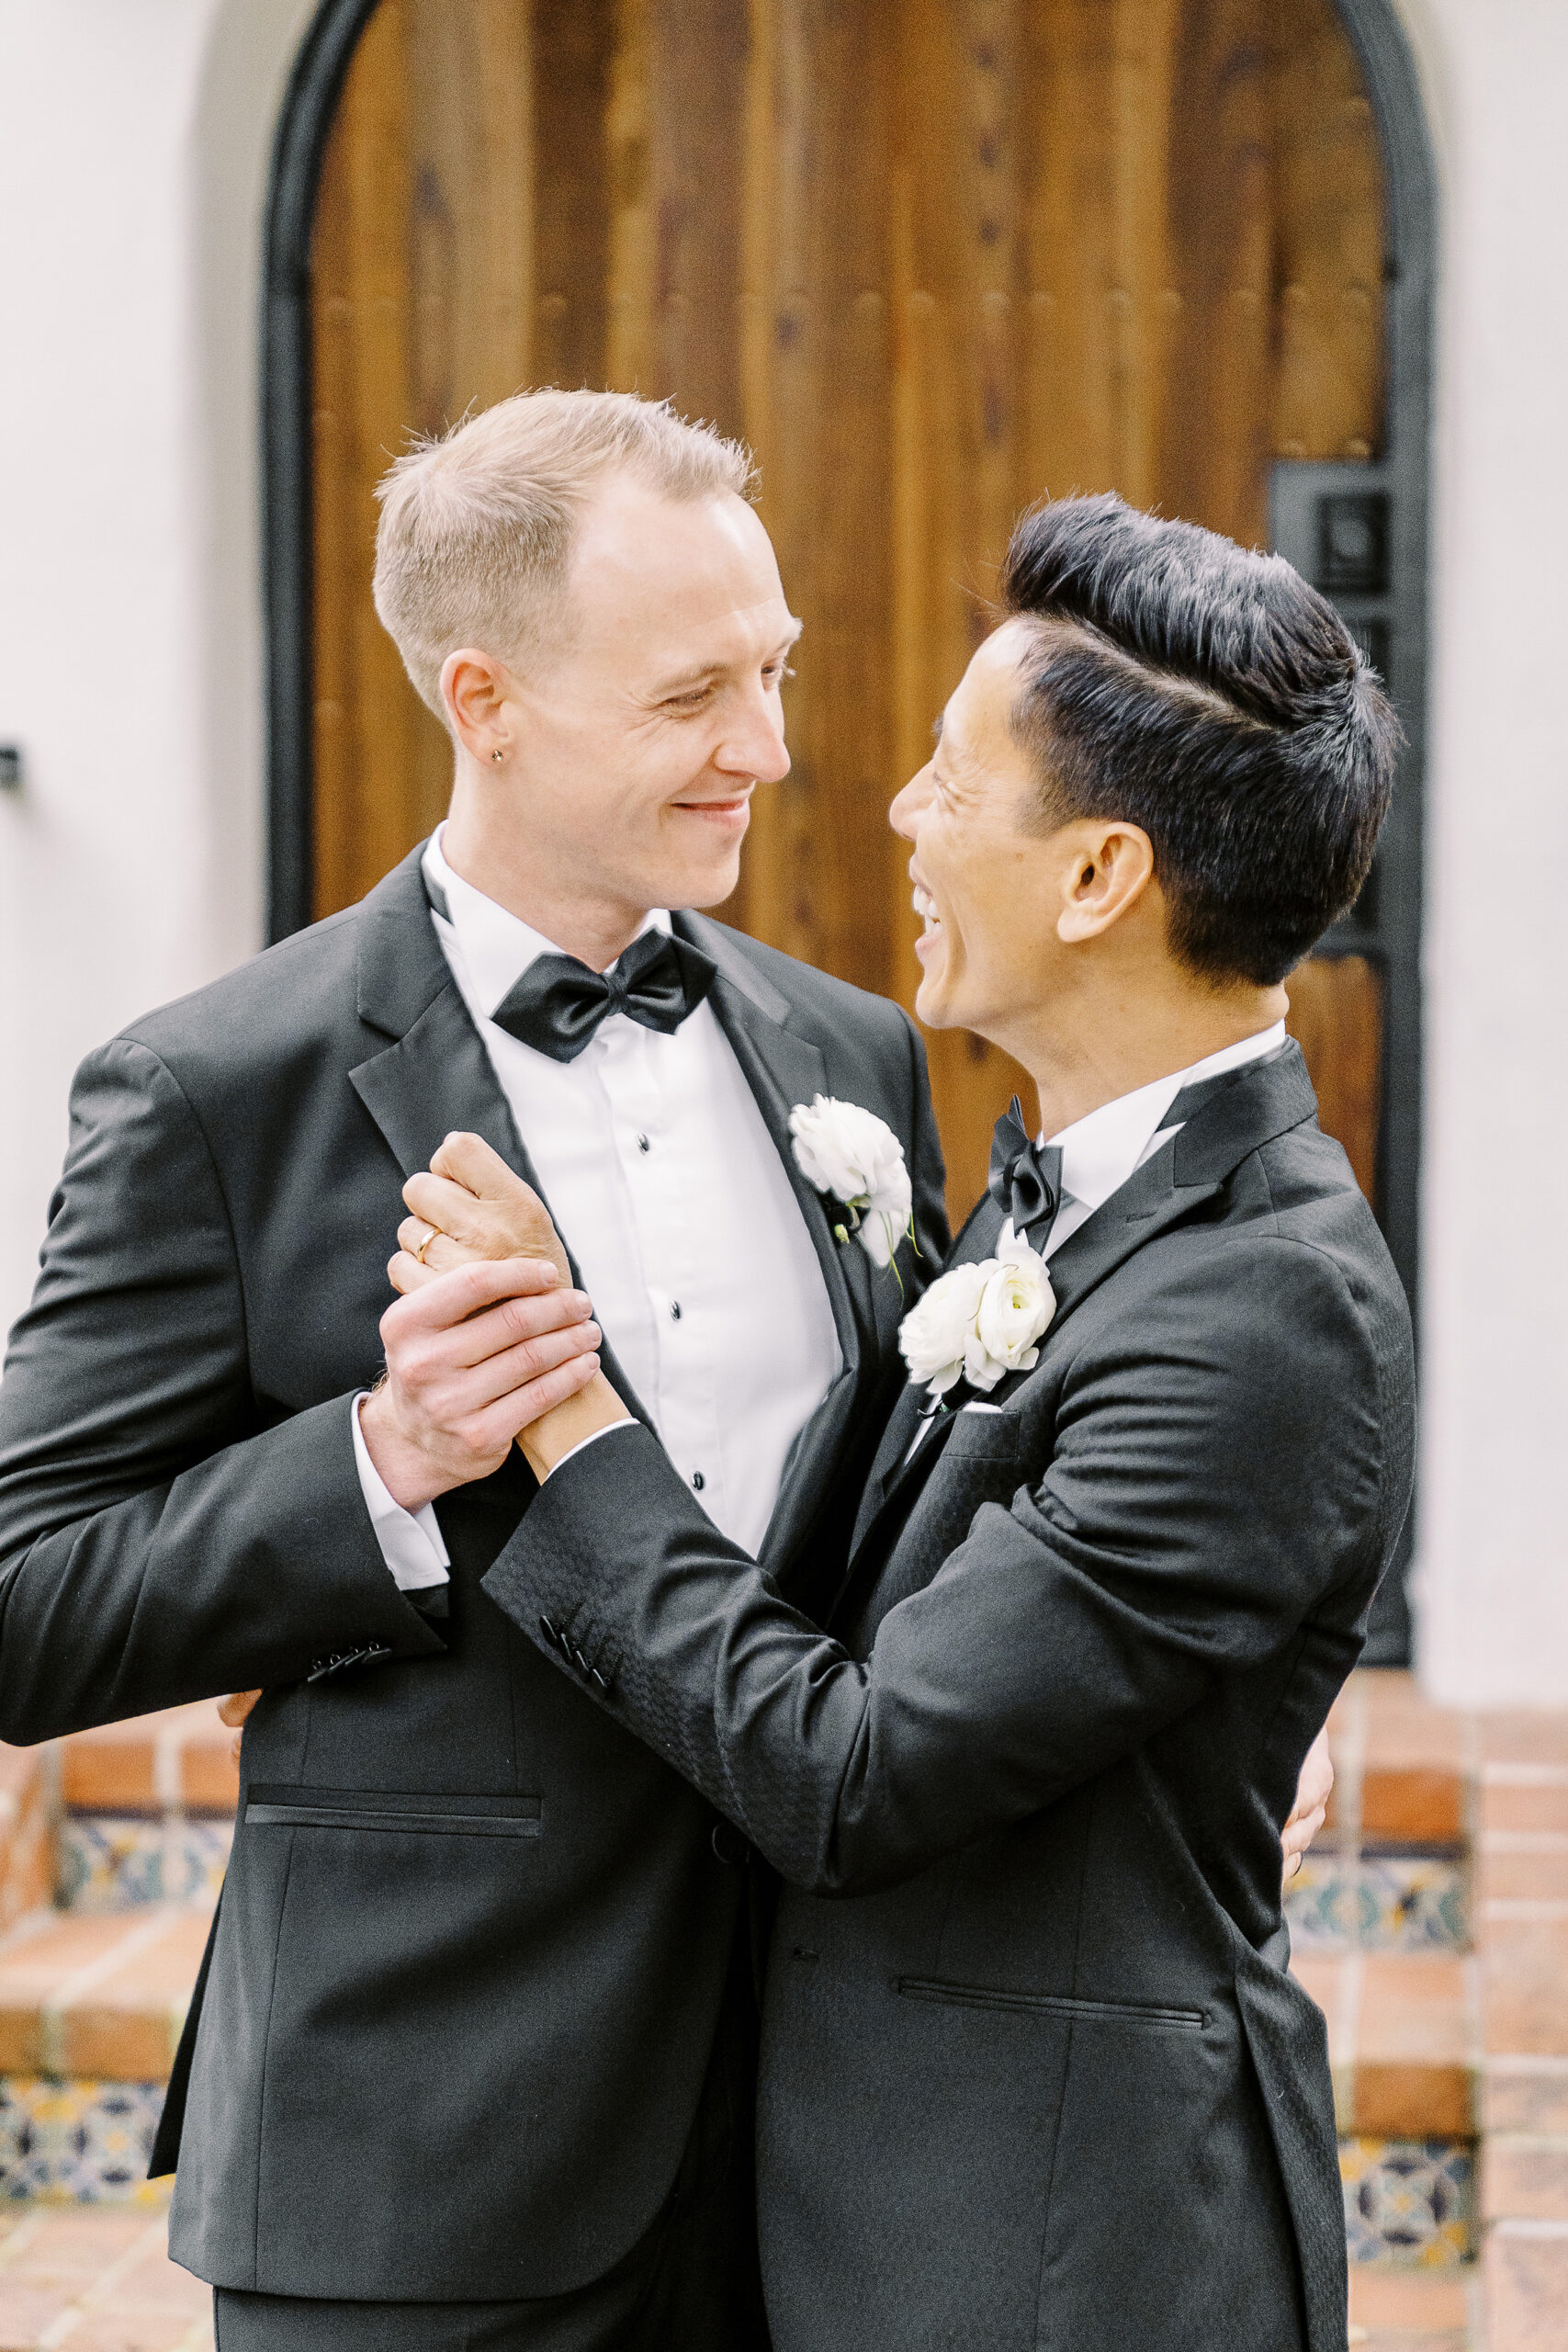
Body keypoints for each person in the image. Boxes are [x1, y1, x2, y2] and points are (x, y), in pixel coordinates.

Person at [398, 494, 1413, 2352]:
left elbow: (852, 1769)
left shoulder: (1256, 1308)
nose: (895, 815)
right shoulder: (1070, 1205)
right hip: (873, 2210)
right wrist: (377, 1583)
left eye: (952, 779)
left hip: (1054, 2254)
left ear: (1100, 874)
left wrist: (562, 1402)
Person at [0, 390, 951, 2348]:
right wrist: (380, 1454)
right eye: (693, 693)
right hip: (420, 2154)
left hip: (825, 2142)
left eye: (771, 671)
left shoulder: (854, 1058)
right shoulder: (214, 1091)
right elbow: (22, 1600)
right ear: (484, 695)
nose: (765, 747)